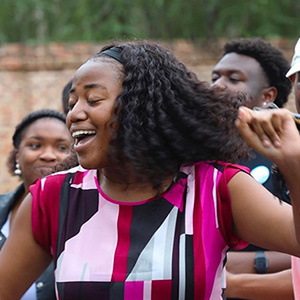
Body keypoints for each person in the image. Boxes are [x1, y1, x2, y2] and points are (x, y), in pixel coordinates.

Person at [0, 41, 300, 300]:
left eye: (93, 100)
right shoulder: (52, 198)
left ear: (139, 108)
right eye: (72, 102)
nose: (75, 114)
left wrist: (293, 162)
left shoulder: (215, 188)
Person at [212, 37, 294, 300]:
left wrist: (252, 264)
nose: (217, 86)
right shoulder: (195, 156)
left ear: (267, 96)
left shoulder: (285, 156)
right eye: (215, 77)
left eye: (233, 79)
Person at [0, 109, 77, 300]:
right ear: (17, 156)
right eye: (35, 145)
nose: (48, 155)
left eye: (61, 148)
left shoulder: (85, 216)